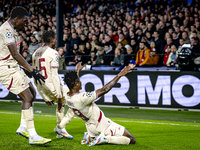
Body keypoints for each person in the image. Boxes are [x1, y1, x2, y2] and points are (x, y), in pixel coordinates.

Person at [0, 6, 50, 145]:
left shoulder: (12, 30)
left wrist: (27, 68)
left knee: (32, 93)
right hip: (6, 68)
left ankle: (22, 127)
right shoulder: (6, 30)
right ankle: (33, 136)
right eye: (24, 20)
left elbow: (15, 55)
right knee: (27, 97)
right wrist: (31, 69)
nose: (25, 23)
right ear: (16, 19)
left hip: (14, 66)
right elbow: (15, 54)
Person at [54, 63, 136, 146]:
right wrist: (120, 75)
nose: (81, 82)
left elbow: (71, 82)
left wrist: (77, 71)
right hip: (103, 125)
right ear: (76, 84)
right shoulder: (82, 98)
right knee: (132, 139)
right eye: (79, 81)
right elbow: (104, 90)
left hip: (90, 127)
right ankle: (105, 138)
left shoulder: (67, 95)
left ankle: (89, 136)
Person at [32, 30, 73, 139]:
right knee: (76, 100)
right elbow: (54, 75)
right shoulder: (53, 52)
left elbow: (34, 75)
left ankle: (60, 129)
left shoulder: (35, 52)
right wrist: (59, 95)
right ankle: (61, 127)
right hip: (52, 86)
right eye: (55, 38)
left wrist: (43, 95)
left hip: (42, 87)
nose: (56, 41)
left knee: (64, 103)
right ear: (52, 40)